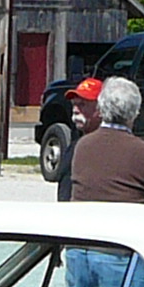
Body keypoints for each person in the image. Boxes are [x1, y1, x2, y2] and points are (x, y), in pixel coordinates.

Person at [69, 75, 144, 206]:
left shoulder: (82, 146)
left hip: (85, 221)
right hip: (130, 223)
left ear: (101, 108)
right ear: (135, 113)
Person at [54, 75, 103, 203]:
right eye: (74, 104)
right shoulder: (74, 147)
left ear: (101, 109)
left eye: (82, 105)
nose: (75, 110)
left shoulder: (110, 145)